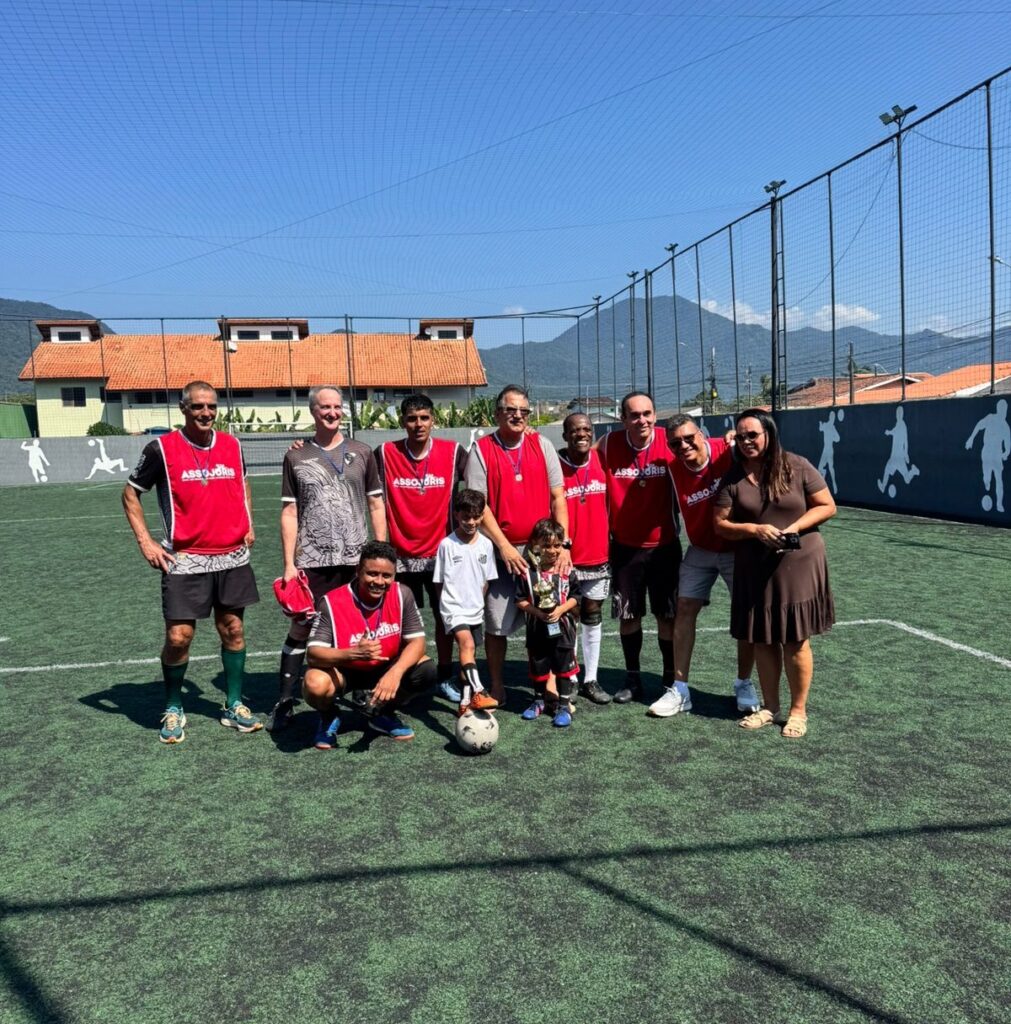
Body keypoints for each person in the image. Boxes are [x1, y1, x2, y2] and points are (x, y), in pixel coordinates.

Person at [122, 380, 261, 744]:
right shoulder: (161, 449)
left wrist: (248, 520)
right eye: (198, 406)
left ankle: (233, 705)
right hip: (185, 560)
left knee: (233, 630)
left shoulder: (232, 445)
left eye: (211, 406)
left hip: (231, 557)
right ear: (183, 409)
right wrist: (146, 542)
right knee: (178, 637)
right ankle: (173, 706)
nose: (206, 413)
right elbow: (130, 494)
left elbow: (244, 483)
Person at [267, 385, 387, 731]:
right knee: (302, 626)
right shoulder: (296, 455)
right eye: (325, 407)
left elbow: (376, 503)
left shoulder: (363, 452)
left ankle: (360, 692)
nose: (332, 412)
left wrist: (380, 552)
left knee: (359, 625)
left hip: (355, 559)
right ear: (313, 411)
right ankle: (285, 700)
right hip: (312, 559)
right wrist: (289, 565)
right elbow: (290, 512)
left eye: (337, 406)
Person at [713, 409, 836, 739]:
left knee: (795, 639)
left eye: (753, 435)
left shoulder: (797, 465)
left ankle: (798, 711)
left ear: (768, 434)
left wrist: (794, 528)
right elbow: (720, 524)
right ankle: (770, 707)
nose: (746, 441)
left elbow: (827, 506)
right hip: (755, 566)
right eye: (741, 436)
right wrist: (753, 530)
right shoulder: (733, 477)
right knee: (763, 637)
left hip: (799, 563)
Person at [465, 384, 568, 703]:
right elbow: (479, 505)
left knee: (547, 617)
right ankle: (497, 684)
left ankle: (550, 681)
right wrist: (504, 546)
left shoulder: (542, 444)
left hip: (541, 554)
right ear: (497, 414)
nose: (518, 416)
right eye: (511, 410)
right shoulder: (482, 449)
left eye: (524, 411)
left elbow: (558, 497)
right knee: (496, 623)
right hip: (500, 554)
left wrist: (563, 545)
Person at [656, 414, 758, 717]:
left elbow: (761, 445)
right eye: (675, 443)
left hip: (737, 548)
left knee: (746, 613)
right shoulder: (672, 468)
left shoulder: (728, 449)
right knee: (684, 608)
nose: (683, 446)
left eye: (689, 438)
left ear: (701, 434)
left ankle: (743, 683)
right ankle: (680, 689)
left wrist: (736, 437)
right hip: (700, 550)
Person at [376, 393, 468, 700]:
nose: (419, 424)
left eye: (424, 418)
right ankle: (402, 677)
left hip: (442, 554)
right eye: (412, 419)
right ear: (402, 422)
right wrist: (306, 444)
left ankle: (444, 676)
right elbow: (350, 462)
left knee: (446, 618)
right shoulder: (384, 453)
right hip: (400, 557)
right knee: (399, 622)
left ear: (433, 420)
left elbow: (484, 472)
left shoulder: (454, 452)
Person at [303, 540, 436, 746]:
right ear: (358, 571)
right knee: (314, 683)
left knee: (426, 670)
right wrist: (354, 653)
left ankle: (381, 712)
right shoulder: (331, 601)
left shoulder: (402, 594)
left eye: (386, 575)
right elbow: (313, 654)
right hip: (345, 670)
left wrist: (395, 673)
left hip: (385, 667)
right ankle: (329, 715)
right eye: (372, 574)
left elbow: (418, 642)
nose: (379, 581)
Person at [598, 391, 679, 705]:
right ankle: (632, 678)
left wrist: (727, 439)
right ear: (623, 419)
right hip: (625, 548)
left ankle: (670, 679)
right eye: (634, 415)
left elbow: (704, 449)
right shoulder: (608, 444)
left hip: (664, 547)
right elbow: (580, 459)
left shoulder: (670, 441)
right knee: (628, 616)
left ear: (655, 416)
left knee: (666, 616)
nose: (642, 420)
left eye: (647, 414)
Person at [558, 412, 611, 705]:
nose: (582, 434)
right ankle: (571, 676)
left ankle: (591, 678)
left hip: (598, 554)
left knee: (592, 613)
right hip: (566, 558)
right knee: (570, 616)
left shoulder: (602, 460)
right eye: (575, 430)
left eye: (586, 429)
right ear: (565, 435)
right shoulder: (554, 464)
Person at [432, 489, 500, 715]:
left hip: (475, 609)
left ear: (482, 516)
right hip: (453, 608)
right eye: (466, 517)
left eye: (476, 517)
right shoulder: (447, 545)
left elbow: (486, 581)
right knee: (467, 644)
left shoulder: (486, 545)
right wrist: (446, 608)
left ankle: (465, 701)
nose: (471, 522)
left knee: (468, 655)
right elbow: (439, 581)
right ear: (456, 515)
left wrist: (477, 601)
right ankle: (480, 690)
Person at [514, 519, 579, 727]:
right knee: (538, 667)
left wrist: (560, 609)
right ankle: (538, 701)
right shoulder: (527, 573)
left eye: (557, 545)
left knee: (563, 668)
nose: (552, 550)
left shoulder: (567, 570)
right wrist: (537, 613)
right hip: (537, 629)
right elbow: (519, 600)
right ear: (536, 545)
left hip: (563, 629)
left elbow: (577, 596)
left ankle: (564, 706)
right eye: (546, 545)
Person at [965, 399, 1010, 513]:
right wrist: (971, 438)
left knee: (999, 479)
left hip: (997, 454)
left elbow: (1008, 446)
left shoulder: (1006, 427)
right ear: (998, 409)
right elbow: (979, 426)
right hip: (986, 452)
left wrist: (1005, 454)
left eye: (1005, 410)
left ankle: (999, 504)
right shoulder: (990, 418)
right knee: (987, 477)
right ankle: (987, 481)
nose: (1003, 412)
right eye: (1002, 409)